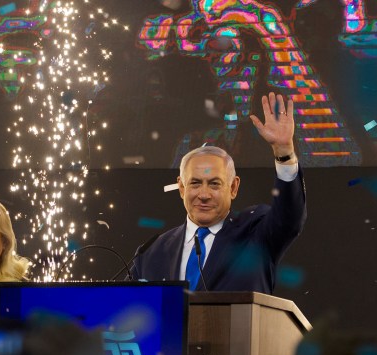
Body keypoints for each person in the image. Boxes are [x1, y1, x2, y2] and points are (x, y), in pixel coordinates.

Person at [131, 91, 306, 293]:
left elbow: (289, 218)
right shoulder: (152, 252)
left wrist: (284, 152)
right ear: (181, 187)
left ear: (233, 187)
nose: (204, 195)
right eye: (195, 183)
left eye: (214, 184)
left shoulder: (255, 234)